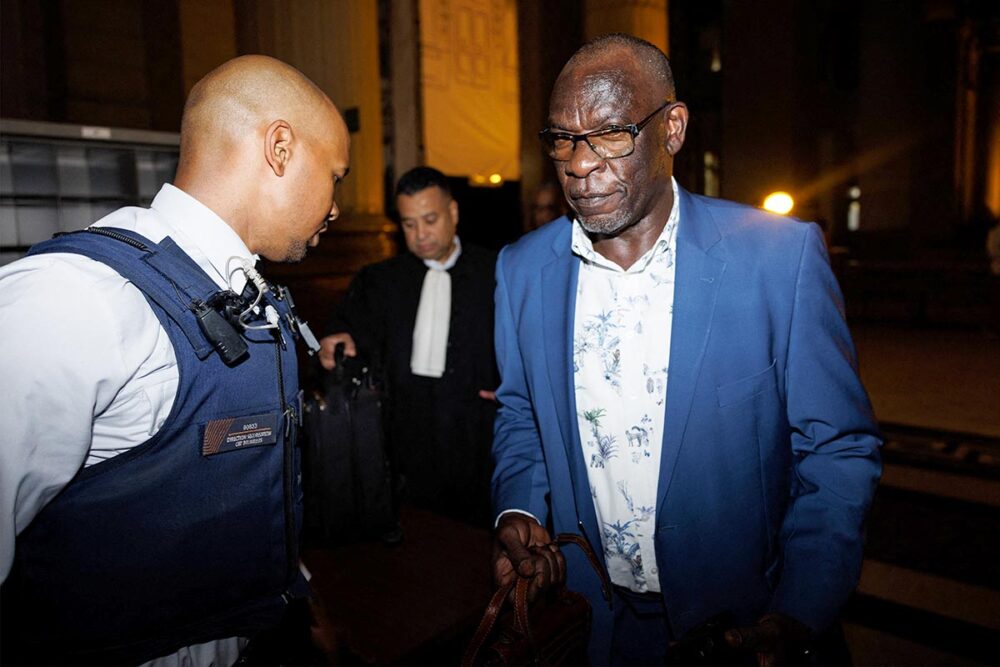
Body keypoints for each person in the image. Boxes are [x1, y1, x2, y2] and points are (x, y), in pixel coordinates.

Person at [490, 34, 882, 665]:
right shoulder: (523, 270)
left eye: (612, 132)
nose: (580, 164)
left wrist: (799, 609)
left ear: (672, 128)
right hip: (593, 622)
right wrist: (516, 506)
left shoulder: (780, 259)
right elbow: (521, 415)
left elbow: (837, 449)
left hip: (743, 622)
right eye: (562, 138)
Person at [0, 55, 350, 666]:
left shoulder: (249, 296)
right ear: (280, 148)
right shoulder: (74, 299)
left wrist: (302, 594)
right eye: (336, 177)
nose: (336, 207)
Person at [318, 166, 498, 526]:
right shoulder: (379, 281)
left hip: (477, 437)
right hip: (404, 438)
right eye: (409, 224)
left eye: (429, 219)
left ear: (453, 212)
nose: (420, 234)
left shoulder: (497, 272)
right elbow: (346, 333)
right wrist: (335, 343)